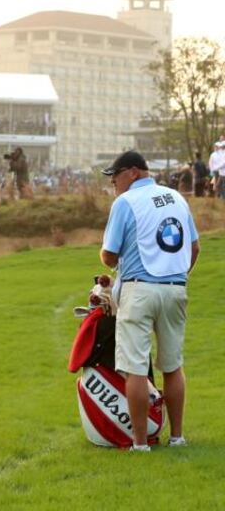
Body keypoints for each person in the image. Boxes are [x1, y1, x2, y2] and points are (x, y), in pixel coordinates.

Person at [100, 150, 199, 452]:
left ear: (131, 173)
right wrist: (178, 275)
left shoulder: (125, 202)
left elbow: (108, 255)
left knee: (135, 367)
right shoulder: (177, 198)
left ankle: (140, 443)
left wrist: (109, 259)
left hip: (139, 290)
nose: (113, 184)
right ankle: (178, 436)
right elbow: (194, 248)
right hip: (175, 288)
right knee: (172, 365)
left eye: (114, 178)